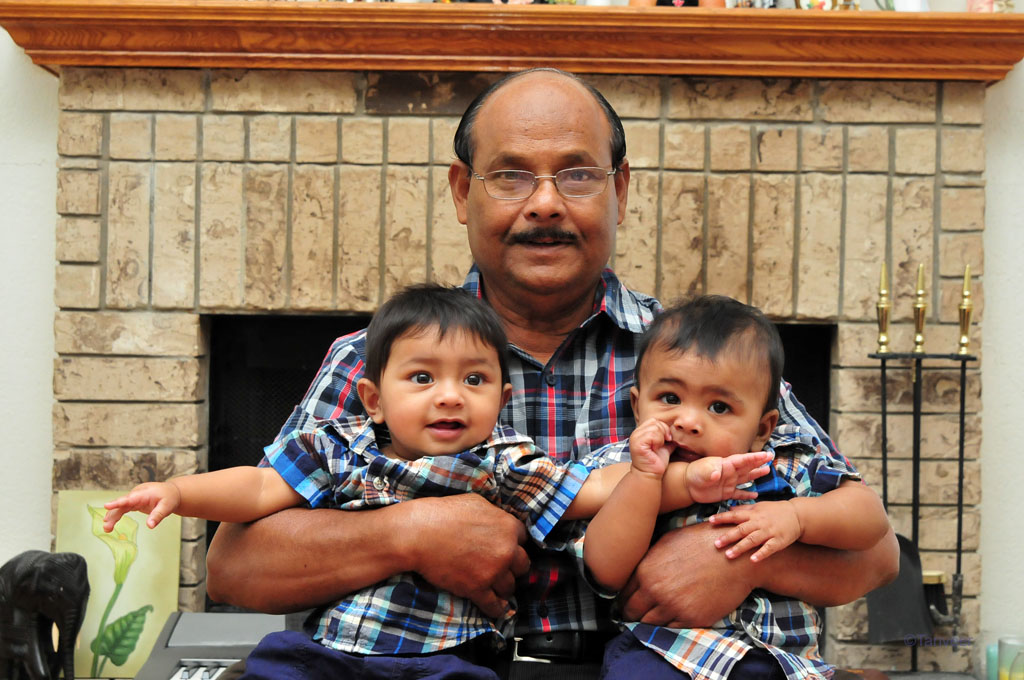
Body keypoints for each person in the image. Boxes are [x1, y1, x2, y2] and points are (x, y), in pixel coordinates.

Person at [205, 68, 899, 678]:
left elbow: (877, 556)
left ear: (619, 191)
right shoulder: (377, 361)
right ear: (462, 191)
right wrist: (409, 532)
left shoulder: (701, 364)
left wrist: (738, 559)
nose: (544, 203)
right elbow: (234, 568)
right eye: (511, 175)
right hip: (420, 666)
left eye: (577, 175)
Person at [105, 285, 772, 678]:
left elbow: (595, 489)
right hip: (332, 651)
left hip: (459, 659)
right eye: (423, 379)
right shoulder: (343, 442)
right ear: (373, 398)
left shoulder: (507, 460)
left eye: (473, 380)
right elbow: (253, 501)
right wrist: (179, 493)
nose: (449, 396)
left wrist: (691, 477)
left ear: (500, 399)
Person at [577, 295, 891, 679]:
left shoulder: (784, 463)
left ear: (762, 428)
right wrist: (644, 480)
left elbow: (871, 519)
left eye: (719, 407)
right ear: (637, 406)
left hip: (781, 662)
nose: (688, 421)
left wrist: (798, 516)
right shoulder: (624, 466)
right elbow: (604, 570)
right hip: (665, 655)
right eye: (670, 398)